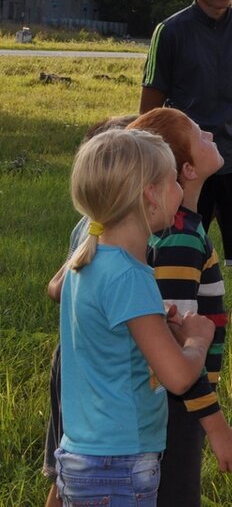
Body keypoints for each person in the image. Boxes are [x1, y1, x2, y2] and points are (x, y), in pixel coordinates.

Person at [55, 129, 215, 506]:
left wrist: (154, 321)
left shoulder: (87, 263)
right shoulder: (130, 276)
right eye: (174, 180)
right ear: (150, 194)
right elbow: (177, 377)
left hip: (82, 454)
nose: (180, 188)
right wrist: (197, 339)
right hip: (120, 464)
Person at [141, 0, 232, 400]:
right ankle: (165, 372)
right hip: (185, 170)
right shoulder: (171, 32)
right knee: (175, 269)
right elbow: (149, 115)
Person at [128, 108, 232, 505]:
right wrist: (215, 426)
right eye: (200, 136)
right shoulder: (179, 237)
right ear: (187, 170)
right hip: (176, 406)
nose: (212, 136)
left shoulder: (187, 226)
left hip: (174, 400)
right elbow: (175, 344)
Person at [44, 116, 137, 507]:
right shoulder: (99, 229)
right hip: (88, 367)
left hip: (78, 359)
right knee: (77, 471)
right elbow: (57, 287)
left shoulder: (95, 224)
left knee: (70, 472)